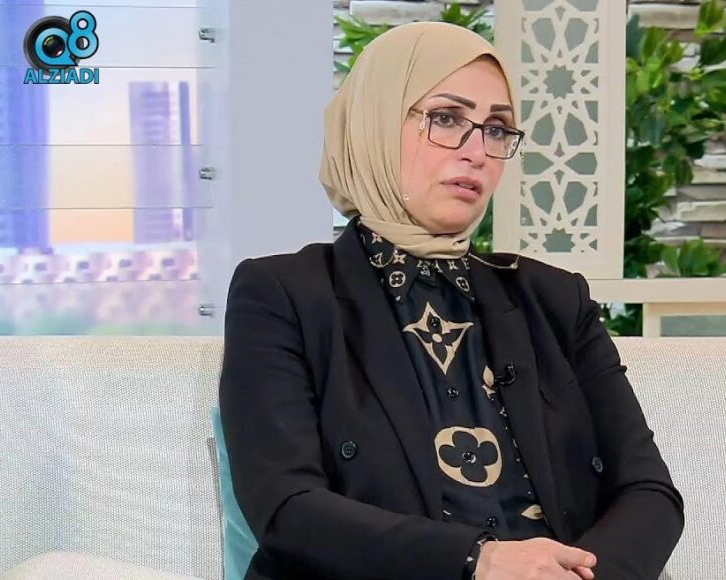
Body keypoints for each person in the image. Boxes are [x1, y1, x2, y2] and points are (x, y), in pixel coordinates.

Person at [218, 22, 683, 580]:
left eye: (497, 129)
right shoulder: (283, 293)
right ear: (373, 125)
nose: (478, 152)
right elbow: (286, 508)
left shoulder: (555, 298)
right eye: (446, 119)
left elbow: (649, 490)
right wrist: (478, 561)